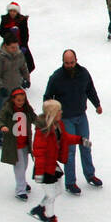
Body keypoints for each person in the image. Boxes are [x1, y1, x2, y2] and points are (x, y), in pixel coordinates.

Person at [43, 50, 103, 191]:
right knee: (69, 150)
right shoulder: (56, 77)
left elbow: (90, 90)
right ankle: (70, 182)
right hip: (65, 119)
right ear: (63, 62)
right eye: (66, 63)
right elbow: (47, 97)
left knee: (86, 145)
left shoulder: (83, 73)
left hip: (81, 116)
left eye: (72, 62)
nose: (69, 65)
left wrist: (97, 104)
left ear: (76, 60)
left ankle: (90, 175)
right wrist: (51, 115)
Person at [28, 99, 84, 222]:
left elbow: (65, 138)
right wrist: (40, 173)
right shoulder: (43, 131)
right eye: (59, 110)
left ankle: (40, 209)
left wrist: (80, 140)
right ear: (53, 113)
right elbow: (39, 152)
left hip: (52, 165)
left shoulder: (58, 125)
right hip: (45, 168)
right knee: (52, 195)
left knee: (57, 191)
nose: (61, 112)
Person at [0, 87, 36, 201]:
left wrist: (42, 124)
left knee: (25, 164)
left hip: (25, 143)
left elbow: (34, 118)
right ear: (13, 99)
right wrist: (2, 127)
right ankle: (20, 190)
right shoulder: (7, 109)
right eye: (18, 100)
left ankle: (22, 182)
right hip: (14, 144)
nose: (20, 102)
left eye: (22, 100)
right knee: (19, 166)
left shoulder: (26, 109)